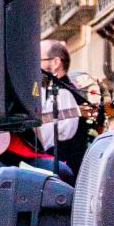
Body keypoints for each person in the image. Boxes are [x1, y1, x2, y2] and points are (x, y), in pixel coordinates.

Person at [38, 40, 90, 178]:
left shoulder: (65, 94)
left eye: (39, 59)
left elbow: (46, 138)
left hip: (62, 171)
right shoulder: (47, 90)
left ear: (55, 63)